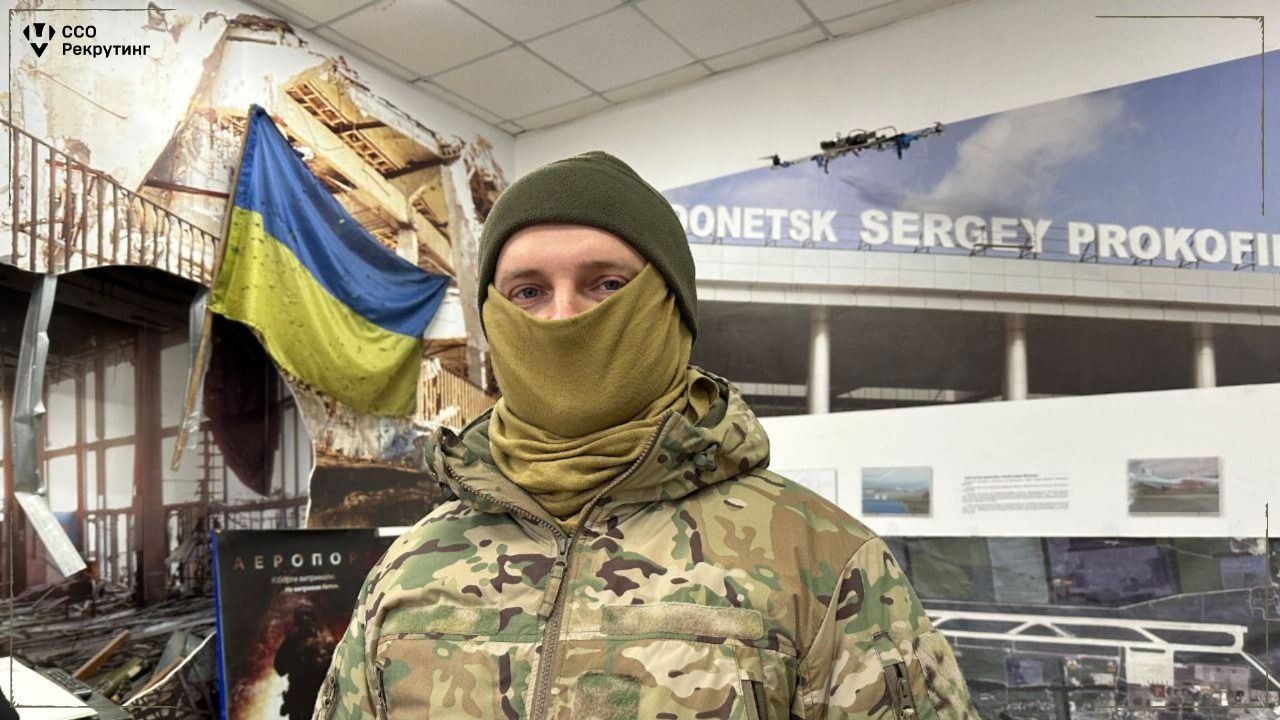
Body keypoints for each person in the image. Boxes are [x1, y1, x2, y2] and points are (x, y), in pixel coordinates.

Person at [314, 151, 980, 719]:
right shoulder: (412, 565)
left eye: (606, 284)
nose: (563, 317)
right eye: (528, 292)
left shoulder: (821, 560)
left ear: (671, 309)